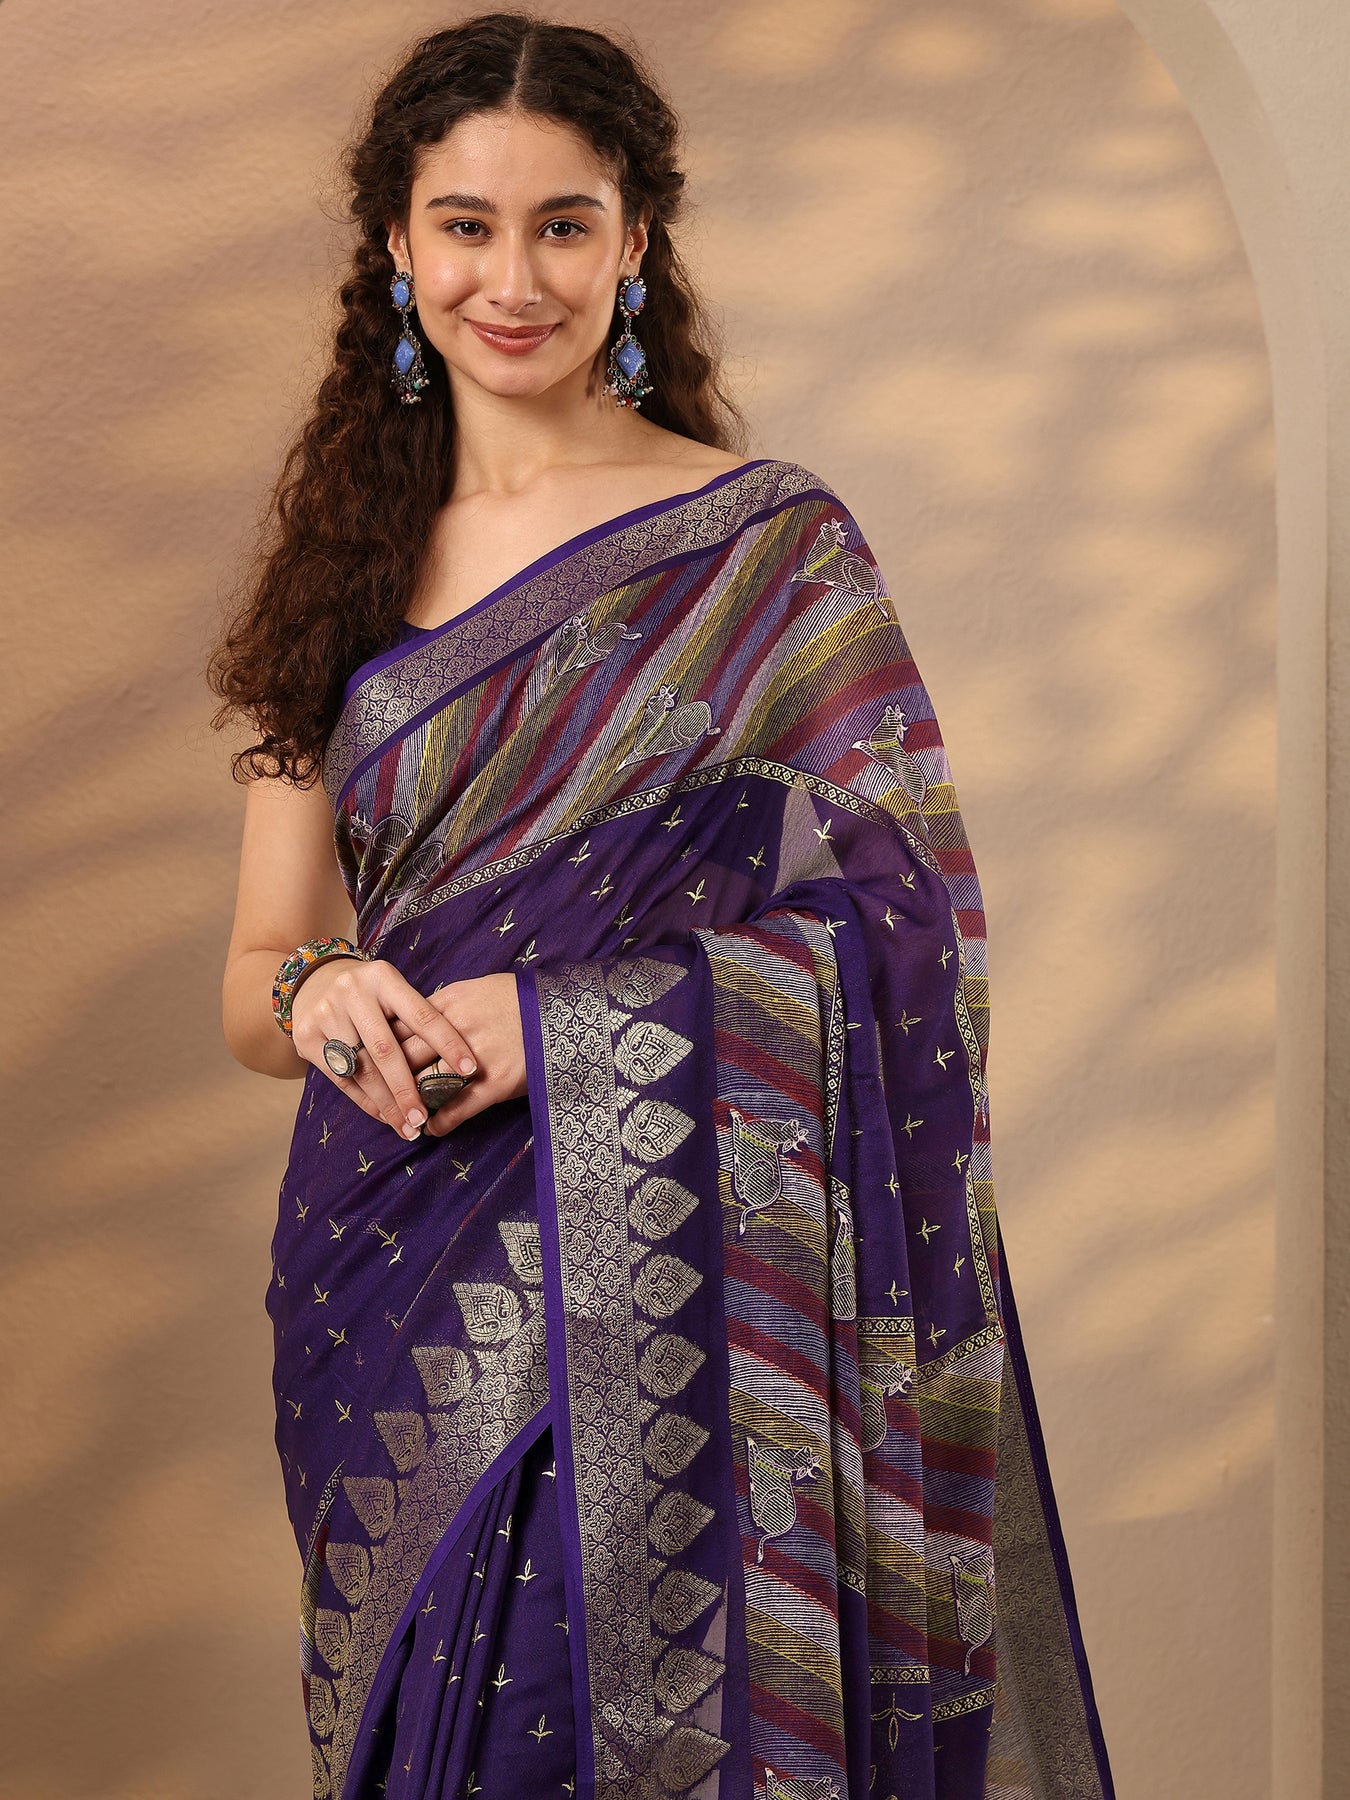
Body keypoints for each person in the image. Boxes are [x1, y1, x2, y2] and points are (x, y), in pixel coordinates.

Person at [211, 13, 1115, 1800]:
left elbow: (910, 932)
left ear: (634, 241)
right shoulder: (336, 569)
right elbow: (254, 980)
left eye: (563, 224)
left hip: (679, 1249)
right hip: (389, 1257)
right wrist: (320, 991)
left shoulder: (765, 549)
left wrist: (567, 1029)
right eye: (466, 225)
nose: (513, 279)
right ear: (395, 244)